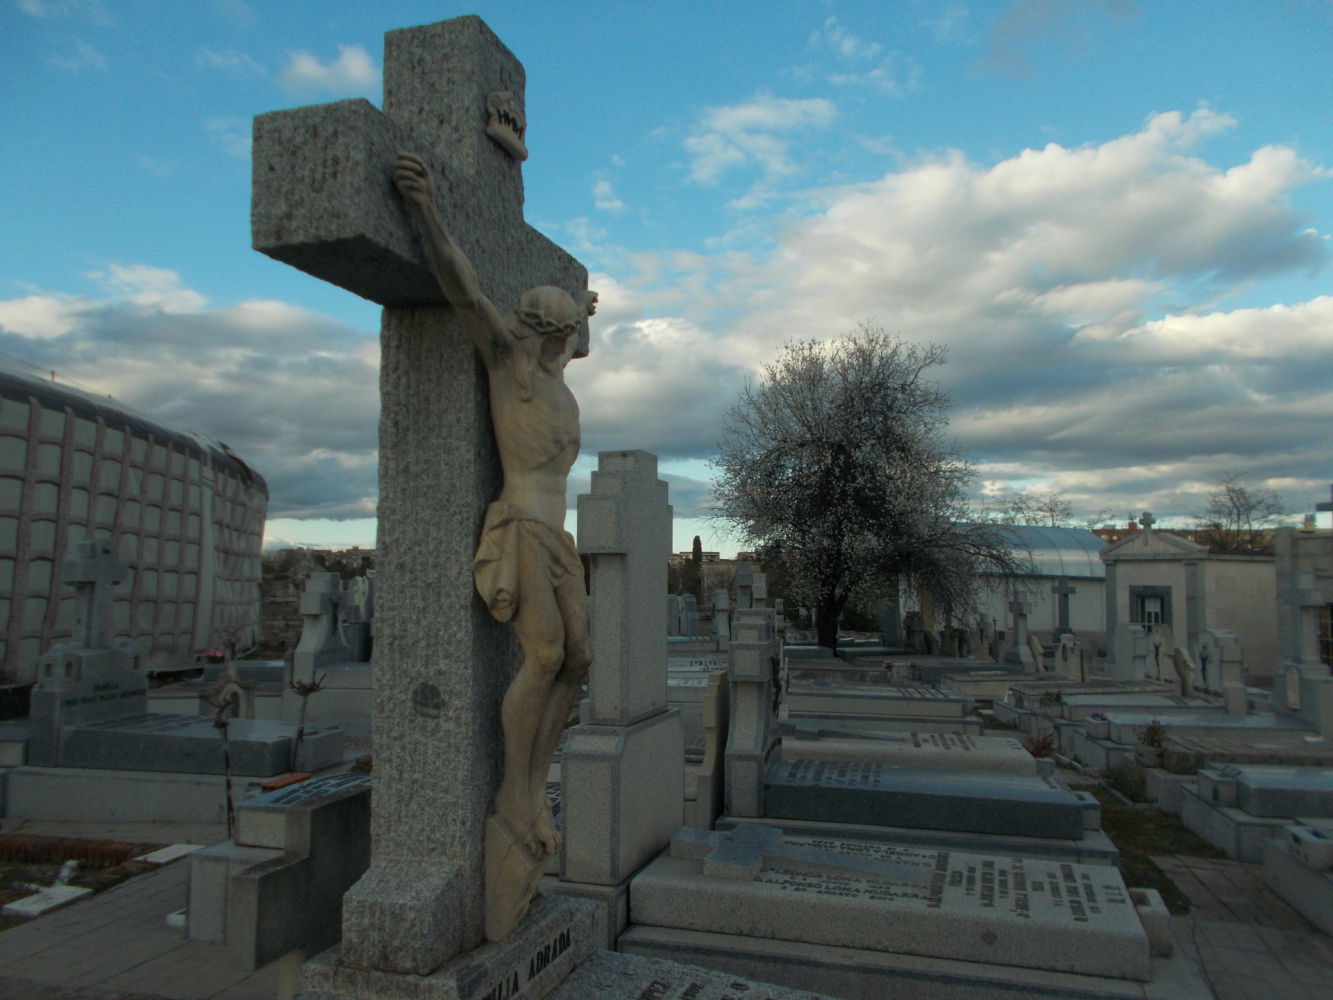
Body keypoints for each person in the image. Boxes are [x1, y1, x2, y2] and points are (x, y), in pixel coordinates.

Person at [394, 152, 595, 857]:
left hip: (556, 537)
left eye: (570, 335)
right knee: (542, 657)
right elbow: (463, 287)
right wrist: (425, 210)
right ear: (536, 331)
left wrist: (581, 306)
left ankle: (535, 785)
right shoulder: (510, 364)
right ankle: (516, 792)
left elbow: (570, 341)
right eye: (559, 333)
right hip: (518, 527)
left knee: (580, 659)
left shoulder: (556, 374)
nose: (566, 344)